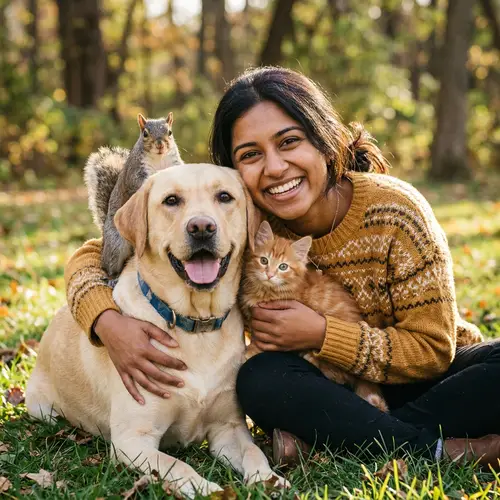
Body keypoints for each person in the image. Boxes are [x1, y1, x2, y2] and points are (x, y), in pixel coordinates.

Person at [64, 66, 500, 469]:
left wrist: (325, 334)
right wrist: (107, 322)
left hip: (418, 376)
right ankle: (439, 447)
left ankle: (333, 434)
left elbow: (433, 350)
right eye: (251, 154)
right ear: (234, 170)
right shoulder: (241, 214)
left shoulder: (398, 212)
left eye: (289, 142)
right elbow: (93, 255)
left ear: (325, 140)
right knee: (259, 380)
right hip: (308, 381)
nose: (275, 167)